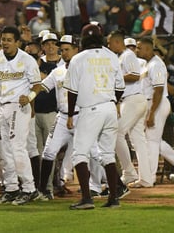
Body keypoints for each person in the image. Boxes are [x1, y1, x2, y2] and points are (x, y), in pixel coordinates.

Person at [63, 22, 125, 209]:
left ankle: (87, 199)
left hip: (90, 110)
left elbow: (72, 91)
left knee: (79, 154)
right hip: (109, 108)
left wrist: (71, 114)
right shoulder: (112, 56)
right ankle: (114, 198)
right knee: (107, 154)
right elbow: (120, 88)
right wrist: (112, 102)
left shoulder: (78, 59)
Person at [0, 26, 42, 205]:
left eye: (9, 39)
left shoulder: (27, 60)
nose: (5, 43)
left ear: (17, 42)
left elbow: (37, 85)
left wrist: (30, 97)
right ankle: (11, 188)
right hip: (0, 107)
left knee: (17, 148)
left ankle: (29, 188)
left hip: (19, 106)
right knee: (3, 150)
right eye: (3, 39)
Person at [136, 38, 174, 185]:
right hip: (152, 103)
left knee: (152, 141)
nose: (137, 50)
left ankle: (150, 178)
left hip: (158, 103)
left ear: (148, 49)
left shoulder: (156, 64)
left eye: (139, 48)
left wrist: (152, 113)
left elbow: (159, 90)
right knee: (153, 140)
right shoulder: (147, 64)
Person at [30, 34, 78, 201]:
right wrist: (28, 98)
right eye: (62, 49)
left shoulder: (82, 68)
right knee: (48, 153)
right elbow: (42, 87)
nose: (64, 52)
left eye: (67, 49)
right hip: (63, 116)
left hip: (82, 116)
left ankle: (112, 186)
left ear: (76, 50)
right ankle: (43, 190)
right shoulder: (58, 72)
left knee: (94, 153)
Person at [107, 30, 152, 188]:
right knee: (138, 141)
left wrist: (115, 78)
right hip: (133, 100)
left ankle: (129, 172)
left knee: (117, 132)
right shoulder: (122, 56)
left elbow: (134, 75)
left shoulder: (127, 55)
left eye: (110, 42)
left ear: (118, 42)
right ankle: (146, 179)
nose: (108, 45)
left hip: (133, 100)